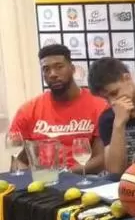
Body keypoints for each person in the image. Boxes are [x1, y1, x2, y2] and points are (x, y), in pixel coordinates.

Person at [9, 44, 107, 173]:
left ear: (72, 69)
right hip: (43, 184)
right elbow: (17, 160)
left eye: (59, 67)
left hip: (85, 181)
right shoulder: (27, 110)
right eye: (46, 69)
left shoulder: (99, 106)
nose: (52, 74)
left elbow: (102, 159)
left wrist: (64, 175)